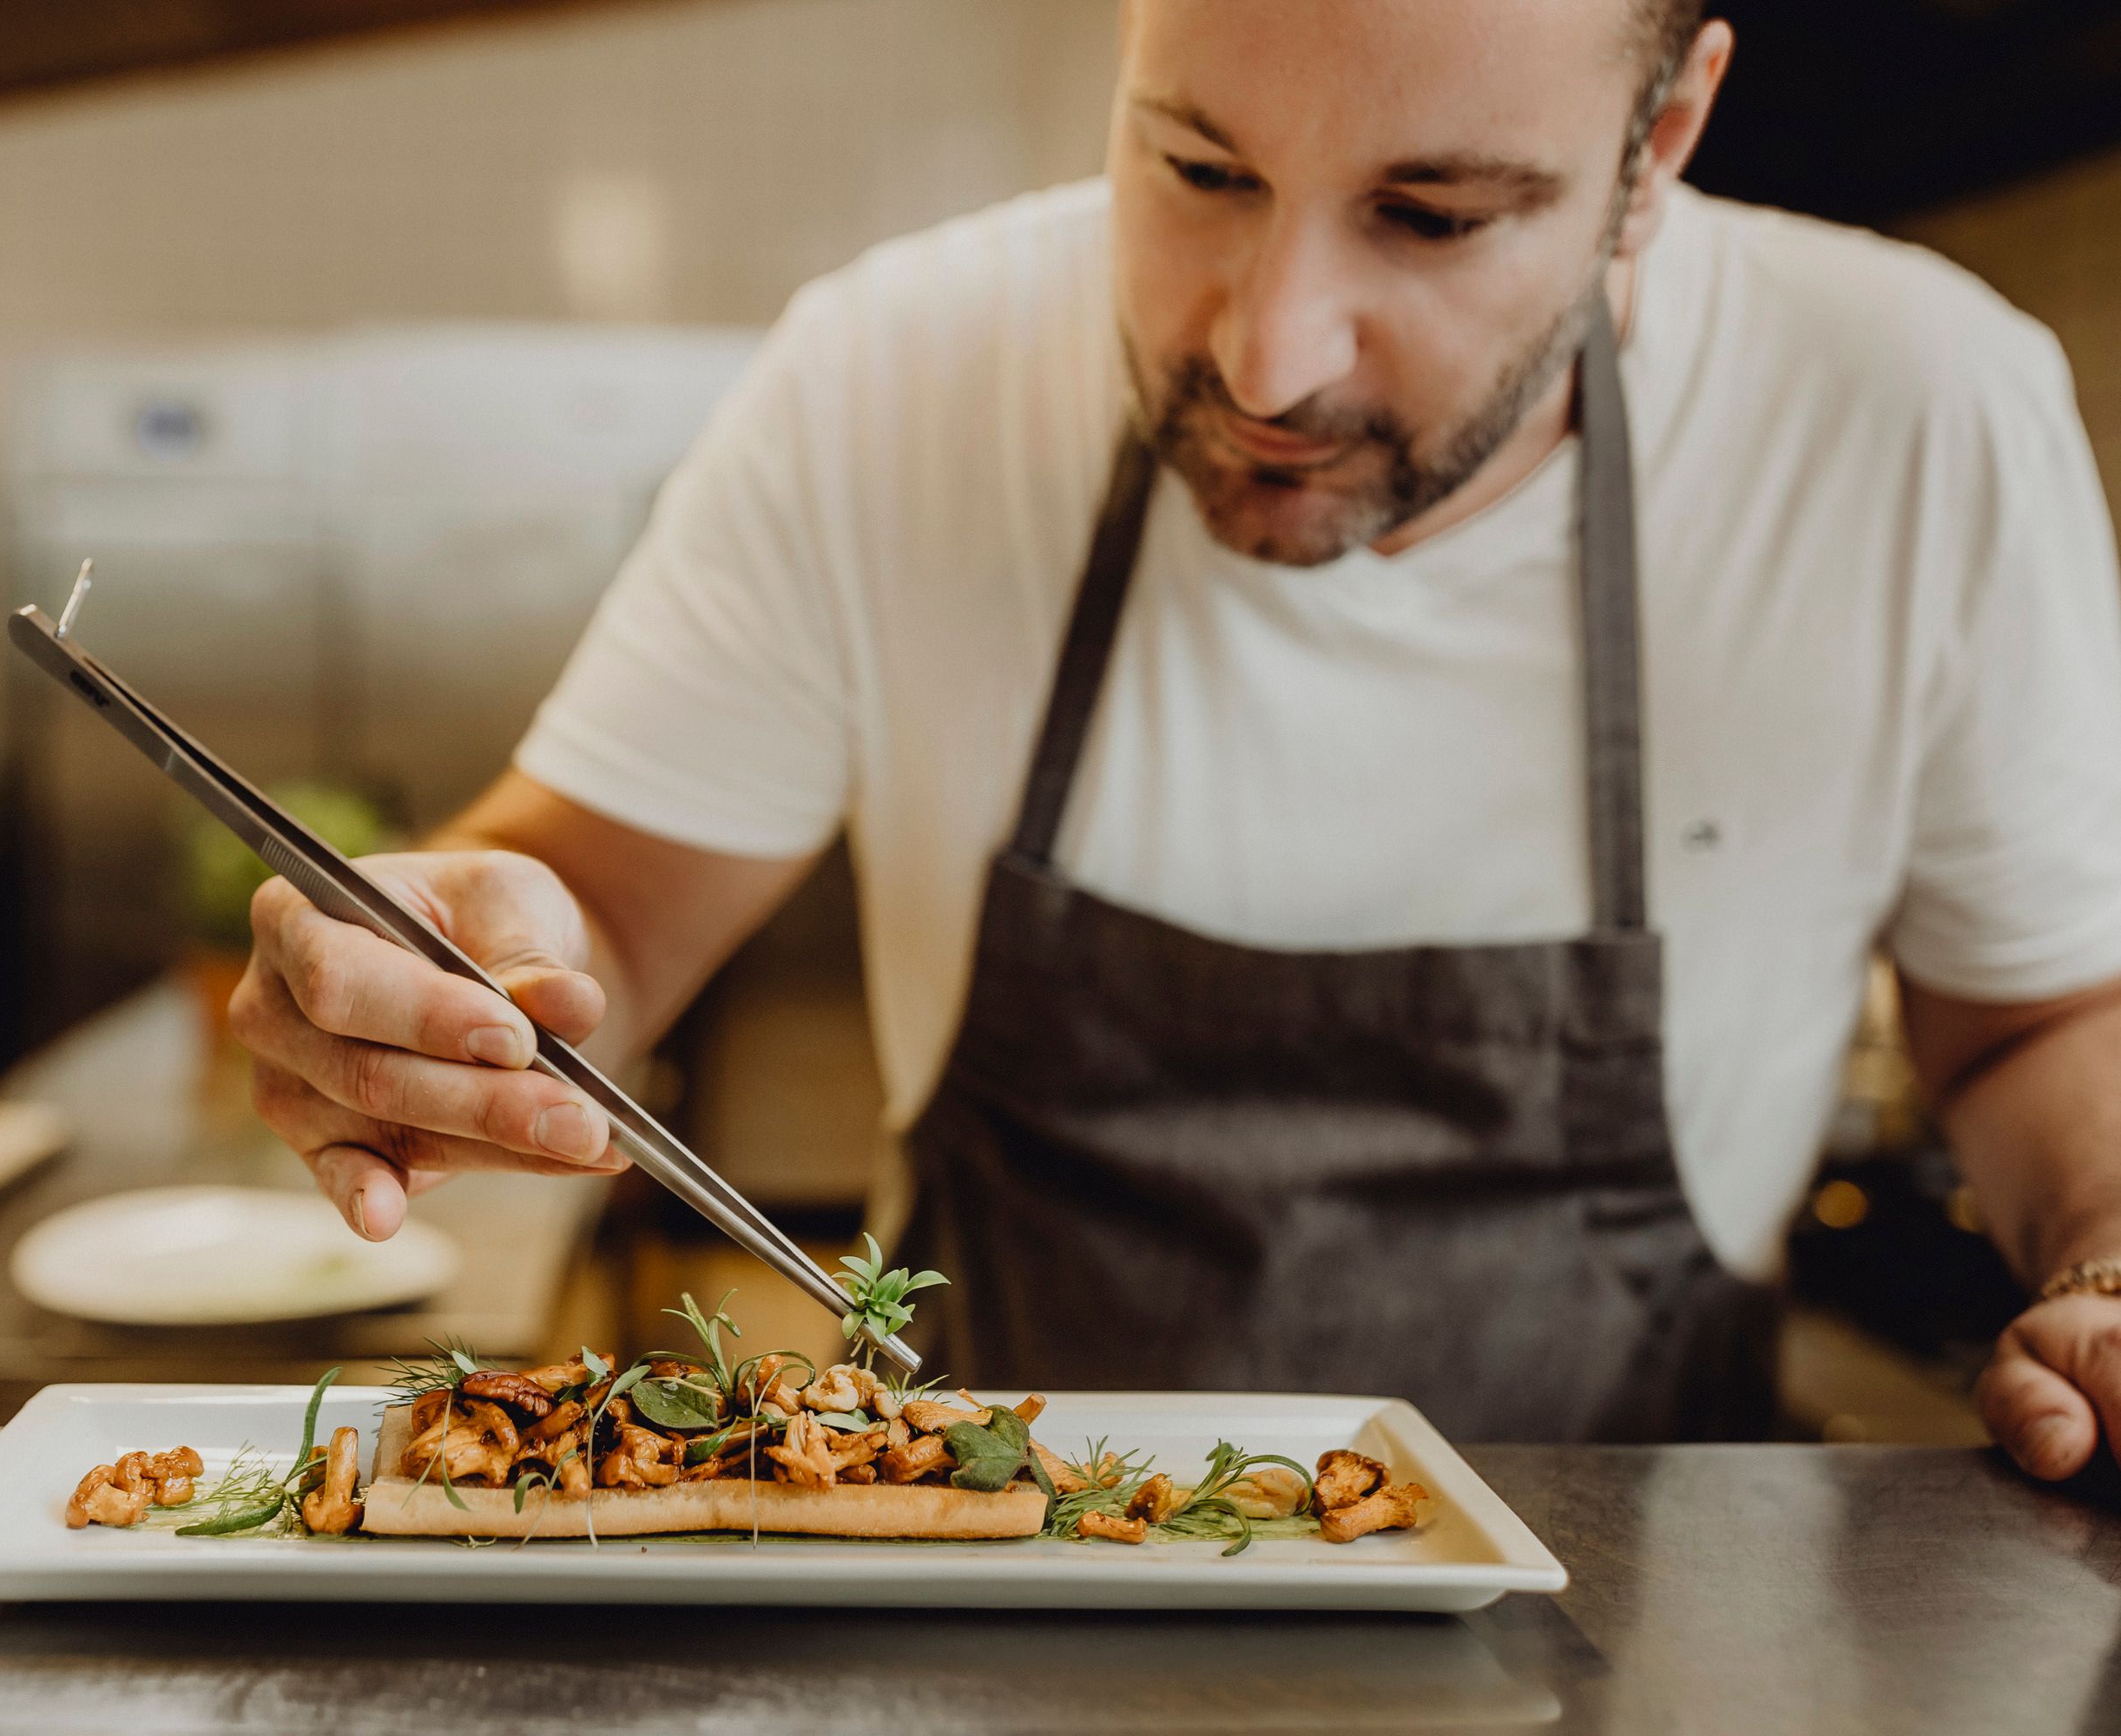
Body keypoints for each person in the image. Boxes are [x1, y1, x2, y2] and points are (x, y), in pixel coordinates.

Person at [231, 0, 2121, 1464]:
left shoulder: (1913, 415)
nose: (1265, 352)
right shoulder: (896, 372)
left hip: (1638, 1636)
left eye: (1433, 213)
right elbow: (597, 914)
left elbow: (2042, 1015)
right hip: (985, 1592)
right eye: (1199, 170)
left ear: (1660, 144)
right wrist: (459, 993)